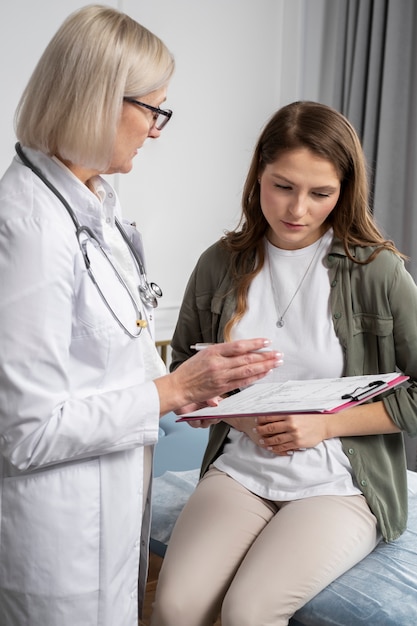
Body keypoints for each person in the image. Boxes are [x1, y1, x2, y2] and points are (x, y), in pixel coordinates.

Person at [0, 6, 281, 626]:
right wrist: (173, 387)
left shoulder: (95, 206)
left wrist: (192, 383)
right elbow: (26, 433)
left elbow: (100, 360)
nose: (157, 129)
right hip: (60, 539)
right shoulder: (29, 228)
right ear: (98, 101)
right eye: (153, 109)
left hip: (112, 512)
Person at [151, 100, 417, 626]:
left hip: (342, 483)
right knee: (176, 607)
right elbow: (183, 368)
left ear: (344, 192)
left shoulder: (377, 272)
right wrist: (239, 416)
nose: (298, 209)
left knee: (248, 612)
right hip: (241, 470)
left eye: (321, 194)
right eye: (283, 186)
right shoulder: (220, 263)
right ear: (258, 178)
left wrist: (324, 428)